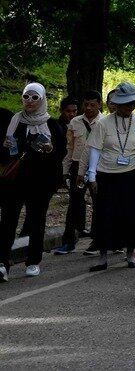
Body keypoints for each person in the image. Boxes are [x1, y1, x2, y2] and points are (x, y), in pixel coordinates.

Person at [83, 82, 135, 271]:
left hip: (132, 174)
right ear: (117, 104)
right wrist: (92, 176)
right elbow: (95, 150)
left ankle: (131, 253)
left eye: (133, 104)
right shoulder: (103, 123)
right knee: (104, 215)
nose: (130, 108)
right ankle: (102, 256)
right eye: (126, 104)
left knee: (132, 215)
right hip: (106, 174)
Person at [0, 84, 66, 280]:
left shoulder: (52, 125)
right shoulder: (14, 121)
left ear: (42, 99)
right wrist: (5, 146)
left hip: (40, 182)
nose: (29, 101)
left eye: (34, 97)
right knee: (8, 221)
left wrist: (49, 149)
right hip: (14, 181)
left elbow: (60, 153)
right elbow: (4, 154)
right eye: (26, 96)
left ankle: (33, 260)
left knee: (36, 220)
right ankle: (2, 262)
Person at [55, 90, 100, 255]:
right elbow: (70, 148)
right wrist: (65, 171)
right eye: (86, 104)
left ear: (99, 105)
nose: (88, 108)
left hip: (98, 167)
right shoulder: (75, 122)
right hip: (76, 166)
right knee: (74, 202)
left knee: (99, 203)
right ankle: (68, 241)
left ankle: (98, 240)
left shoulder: (105, 122)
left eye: (92, 105)